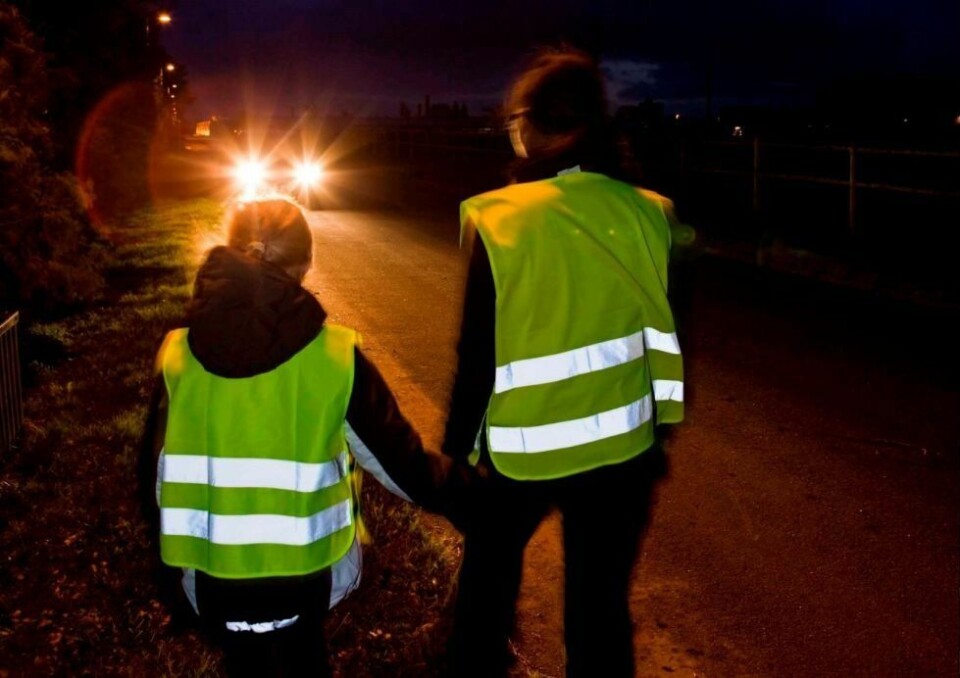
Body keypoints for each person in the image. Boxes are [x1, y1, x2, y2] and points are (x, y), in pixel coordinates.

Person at [139, 198, 472, 677]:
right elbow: (406, 468)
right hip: (308, 585)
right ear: (307, 263)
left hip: (210, 588)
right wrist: (476, 494)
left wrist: (169, 579)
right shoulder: (334, 357)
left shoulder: (177, 356)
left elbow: (153, 481)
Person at [442, 46, 685, 678]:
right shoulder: (648, 211)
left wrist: (458, 456)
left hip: (522, 454)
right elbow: (660, 330)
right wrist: (659, 428)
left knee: (485, 597)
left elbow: (478, 356)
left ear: (530, 126)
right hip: (623, 454)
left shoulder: (502, 218)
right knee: (600, 612)